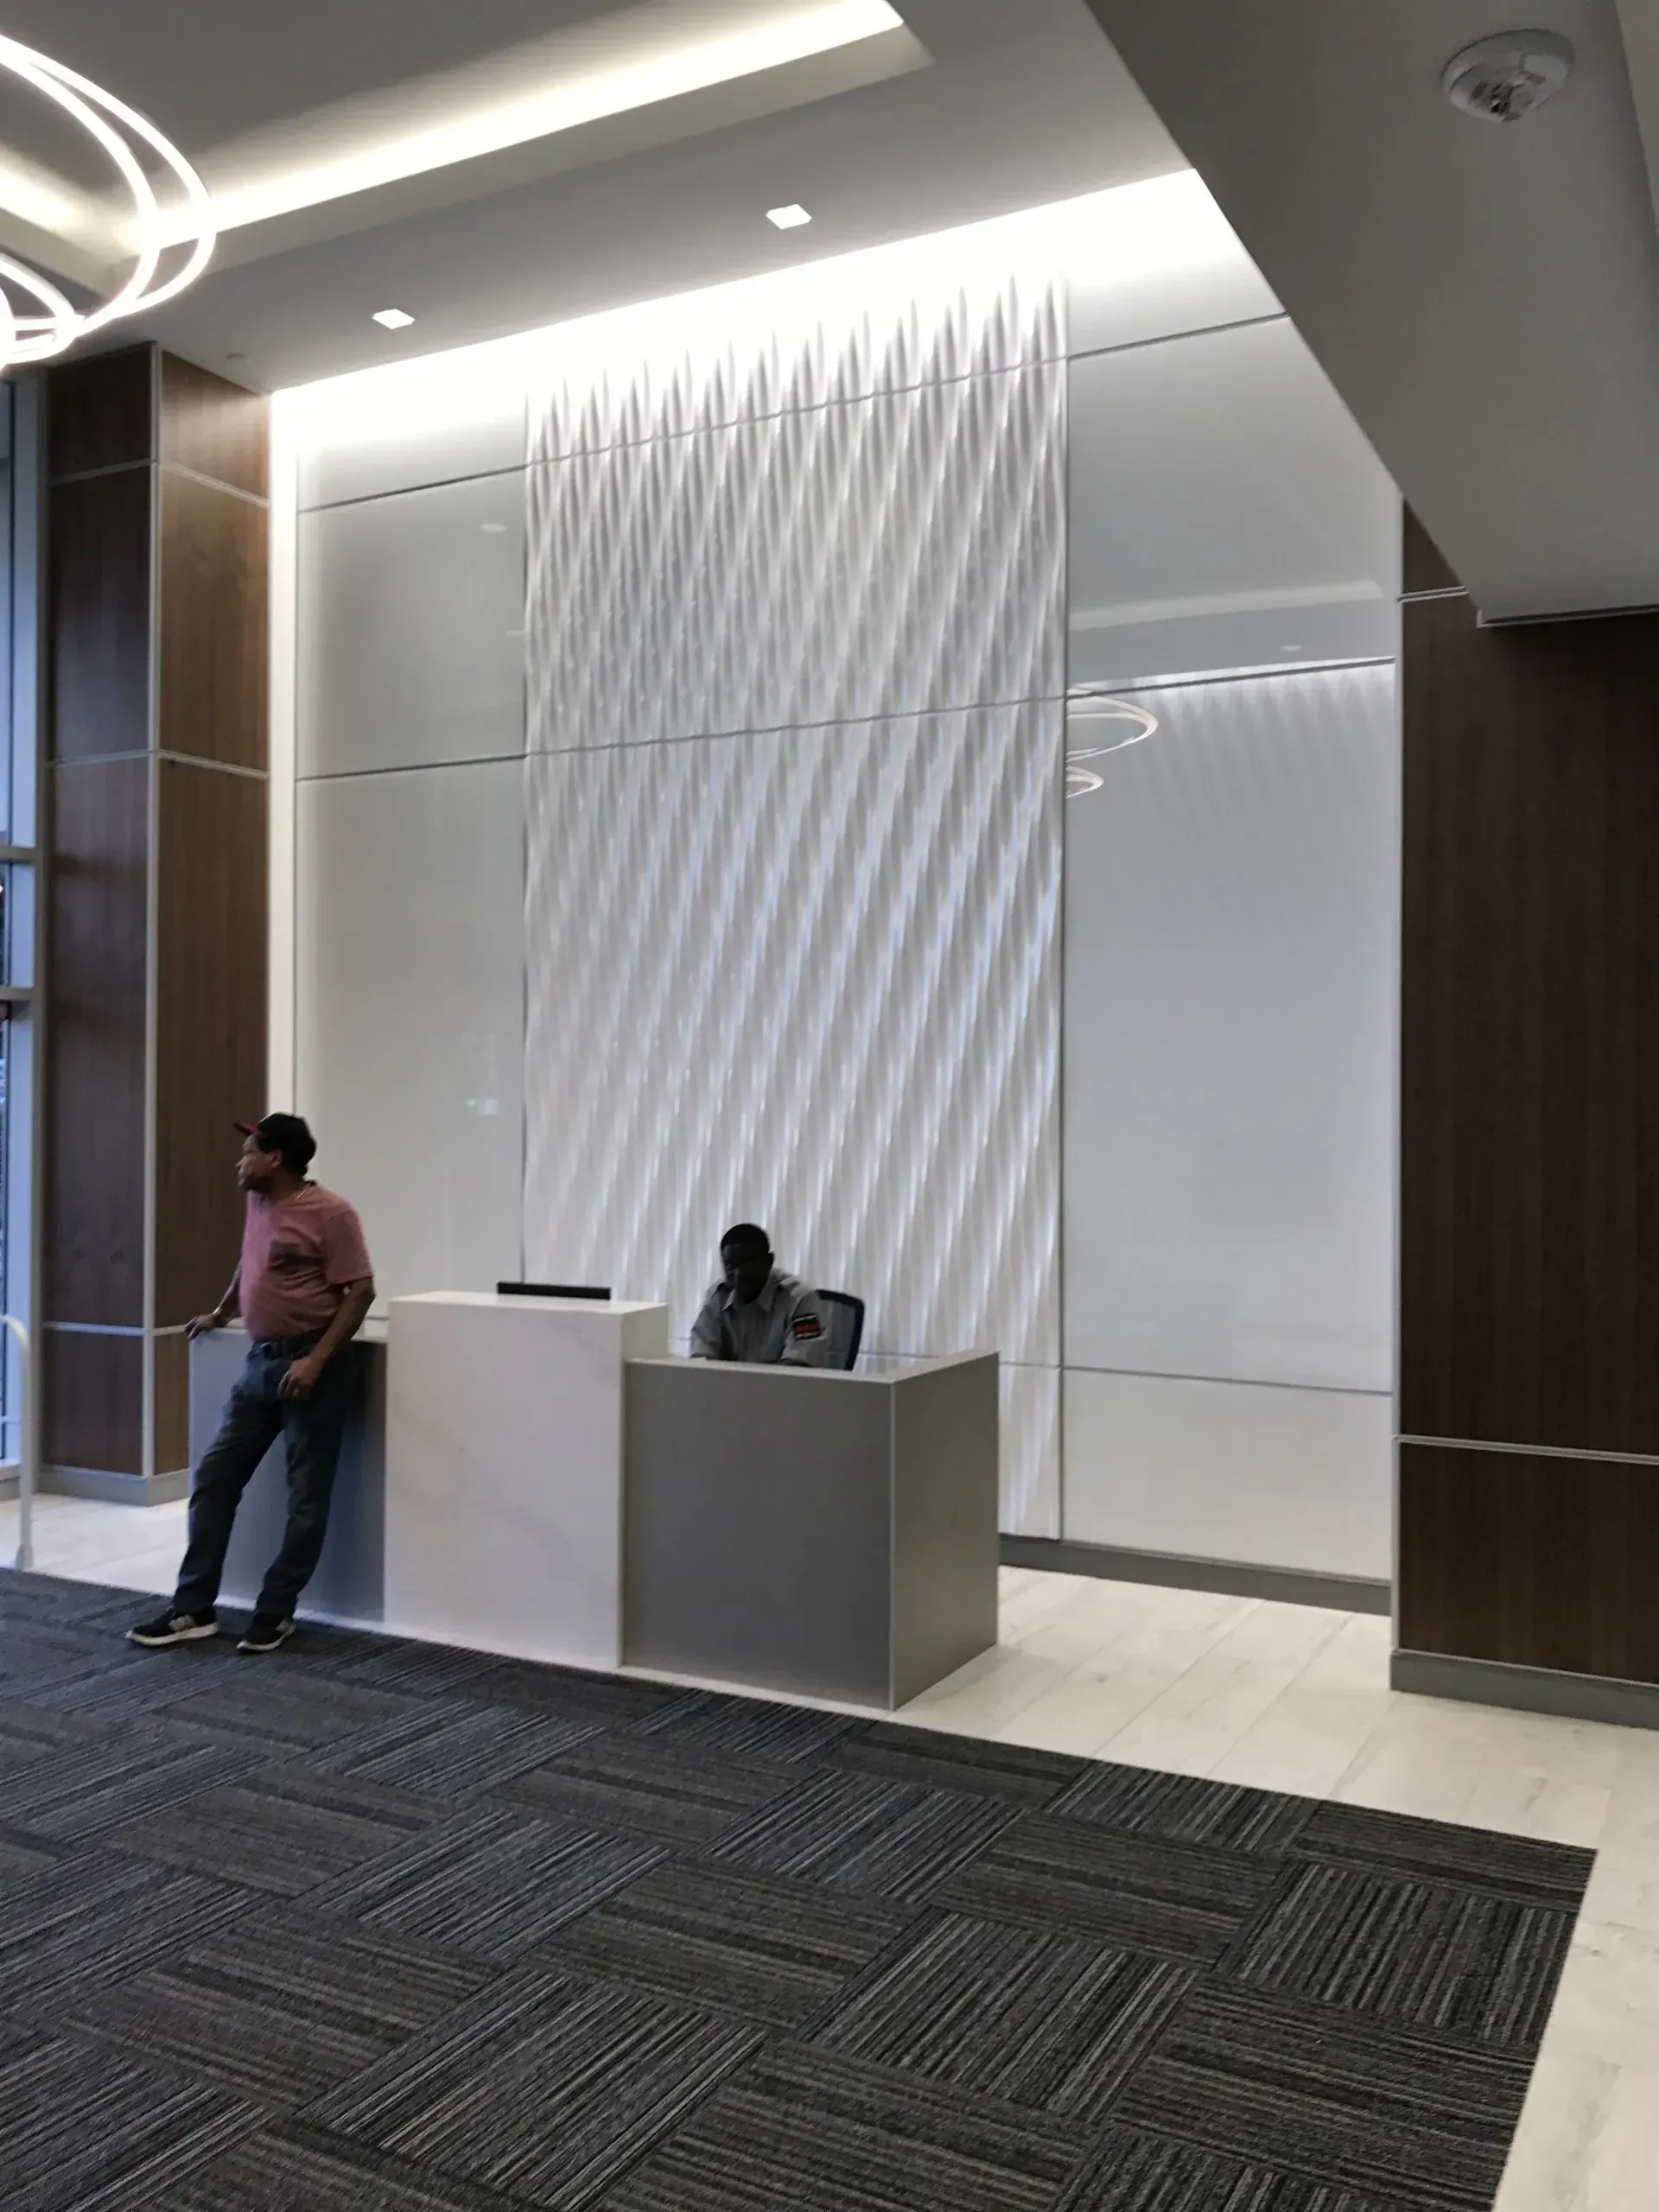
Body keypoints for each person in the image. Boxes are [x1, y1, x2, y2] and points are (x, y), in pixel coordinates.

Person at [130, 1114, 375, 1655]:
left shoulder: (332, 1212)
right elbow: (253, 1264)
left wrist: (315, 1361)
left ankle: (276, 1611)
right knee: (215, 1479)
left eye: (247, 1151)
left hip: (313, 1368)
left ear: (276, 1159)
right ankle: (193, 1608)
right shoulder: (259, 1202)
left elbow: (360, 1291)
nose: (238, 1163)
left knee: (306, 1497)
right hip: (258, 1366)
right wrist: (222, 1311)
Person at [689, 1224, 829, 1366]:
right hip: (730, 1387)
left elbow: (798, 1369)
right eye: (730, 1266)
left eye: (748, 1264)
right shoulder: (718, 1297)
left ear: (769, 1262)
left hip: (780, 1387)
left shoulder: (799, 1298)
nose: (739, 1274)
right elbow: (701, 1358)